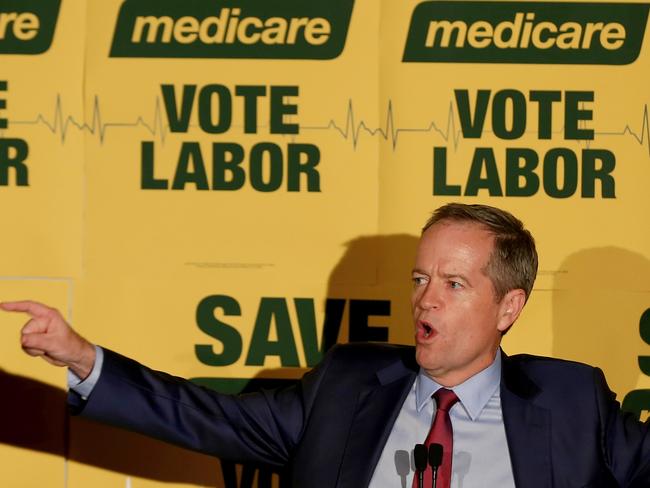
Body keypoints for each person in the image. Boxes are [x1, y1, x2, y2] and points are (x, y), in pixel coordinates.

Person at [2, 203, 649, 488]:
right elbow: (205, 417)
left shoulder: (571, 403)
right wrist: (84, 359)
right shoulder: (345, 387)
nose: (426, 300)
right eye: (420, 279)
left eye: (454, 284)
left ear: (509, 306)